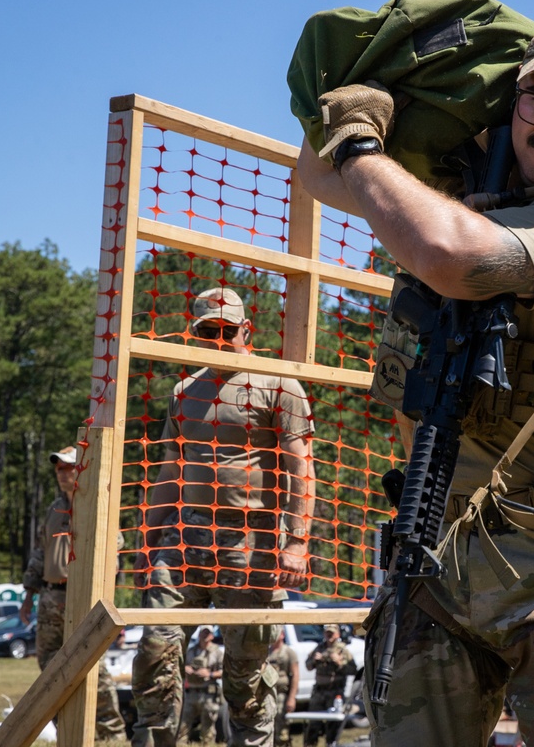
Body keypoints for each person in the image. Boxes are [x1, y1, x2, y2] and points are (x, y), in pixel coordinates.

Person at [297, 6, 534, 746]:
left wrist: (363, 145)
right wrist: (352, 131)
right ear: (512, 92)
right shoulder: (469, 179)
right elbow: (313, 176)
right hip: (441, 553)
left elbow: (450, 259)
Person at [131, 286, 317, 747]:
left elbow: (301, 466)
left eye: (226, 330)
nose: (218, 338)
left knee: (245, 675)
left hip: (249, 543)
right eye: (207, 331)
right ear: (195, 332)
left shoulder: (278, 384)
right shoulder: (183, 391)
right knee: (156, 648)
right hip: (184, 536)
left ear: (246, 329)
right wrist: (148, 541)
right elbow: (171, 469)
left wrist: (297, 542)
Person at [21, 445, 127, 741]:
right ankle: (67, 731)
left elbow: (114, 550)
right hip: (50, 597)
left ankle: (111, 733)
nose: (63, 473)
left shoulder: (95, 506)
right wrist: (29, 595)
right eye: (59, 469)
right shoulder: (54, 509)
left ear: (81, 470)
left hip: (82, 597)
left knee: (93, 667)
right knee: (49, 667)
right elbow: (40, 552)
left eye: (69, 467)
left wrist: (107, 598)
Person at [303, 624, 357, 747]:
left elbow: (353, 670)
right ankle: (311, 744)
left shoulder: (343, 650)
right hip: (318, 692)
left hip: (335, 692)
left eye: (332, 633)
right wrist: (314, 660)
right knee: (313, 722)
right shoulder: (319, 648)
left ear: (337, 634)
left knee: (333, 724)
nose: (329, 635)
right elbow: (307, 666)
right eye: (327, 633)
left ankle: (331, 744)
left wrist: (338, 662)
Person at [177, 627, 224, 745]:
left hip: (208, 694)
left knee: (208, 728)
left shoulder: (217, 652)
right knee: (183, 726)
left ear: (212, 636)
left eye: (208, 633)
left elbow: (224, 671)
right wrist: (186, 669)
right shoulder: (191, 650)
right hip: (191, 692)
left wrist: (210, 674)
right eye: (203, 632)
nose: (205, 635)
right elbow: (182, 665)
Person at [267, 627, 299, 747]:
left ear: (282, 635)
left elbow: (295, 675)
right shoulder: (267, 652)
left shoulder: (289, 652)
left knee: (281, 727)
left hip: (282, 695)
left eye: (275, 633)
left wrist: (292, 698)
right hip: (268, 694)